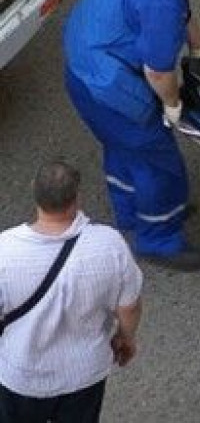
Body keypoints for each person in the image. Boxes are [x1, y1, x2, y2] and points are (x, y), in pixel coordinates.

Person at [63, 0, 200, 271]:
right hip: (110, 86)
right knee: (158, 164)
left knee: (121, 148)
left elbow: (183, 11)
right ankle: (159, 239)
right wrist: (173, 105)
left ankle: (131, 213)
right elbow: (158, 71)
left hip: (83, 68)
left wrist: (199, 48)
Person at [0, 161, 143, 423]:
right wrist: (126, 338)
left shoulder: (4, 249)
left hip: (21, 376)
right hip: (84, 375)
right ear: (77, 196)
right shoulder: (109, 244)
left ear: (34, 191)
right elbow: (129, 305)